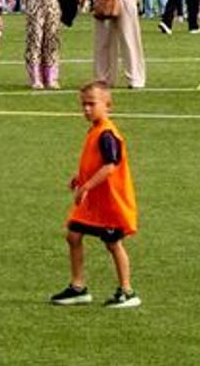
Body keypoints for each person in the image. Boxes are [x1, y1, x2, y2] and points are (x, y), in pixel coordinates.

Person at [51, 80, 140, 310]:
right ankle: (78, 287)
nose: (86, 109)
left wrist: (86, 186)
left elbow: (110, 165)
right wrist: (79, 177)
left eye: (91, 104)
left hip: (109, 203)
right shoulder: (95, 131)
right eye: (83, 105)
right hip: (94, 204)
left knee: (113, 244)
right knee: (73, 235)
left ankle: (127, 291)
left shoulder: (107, 134)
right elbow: (95, 161)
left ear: (108, 105)